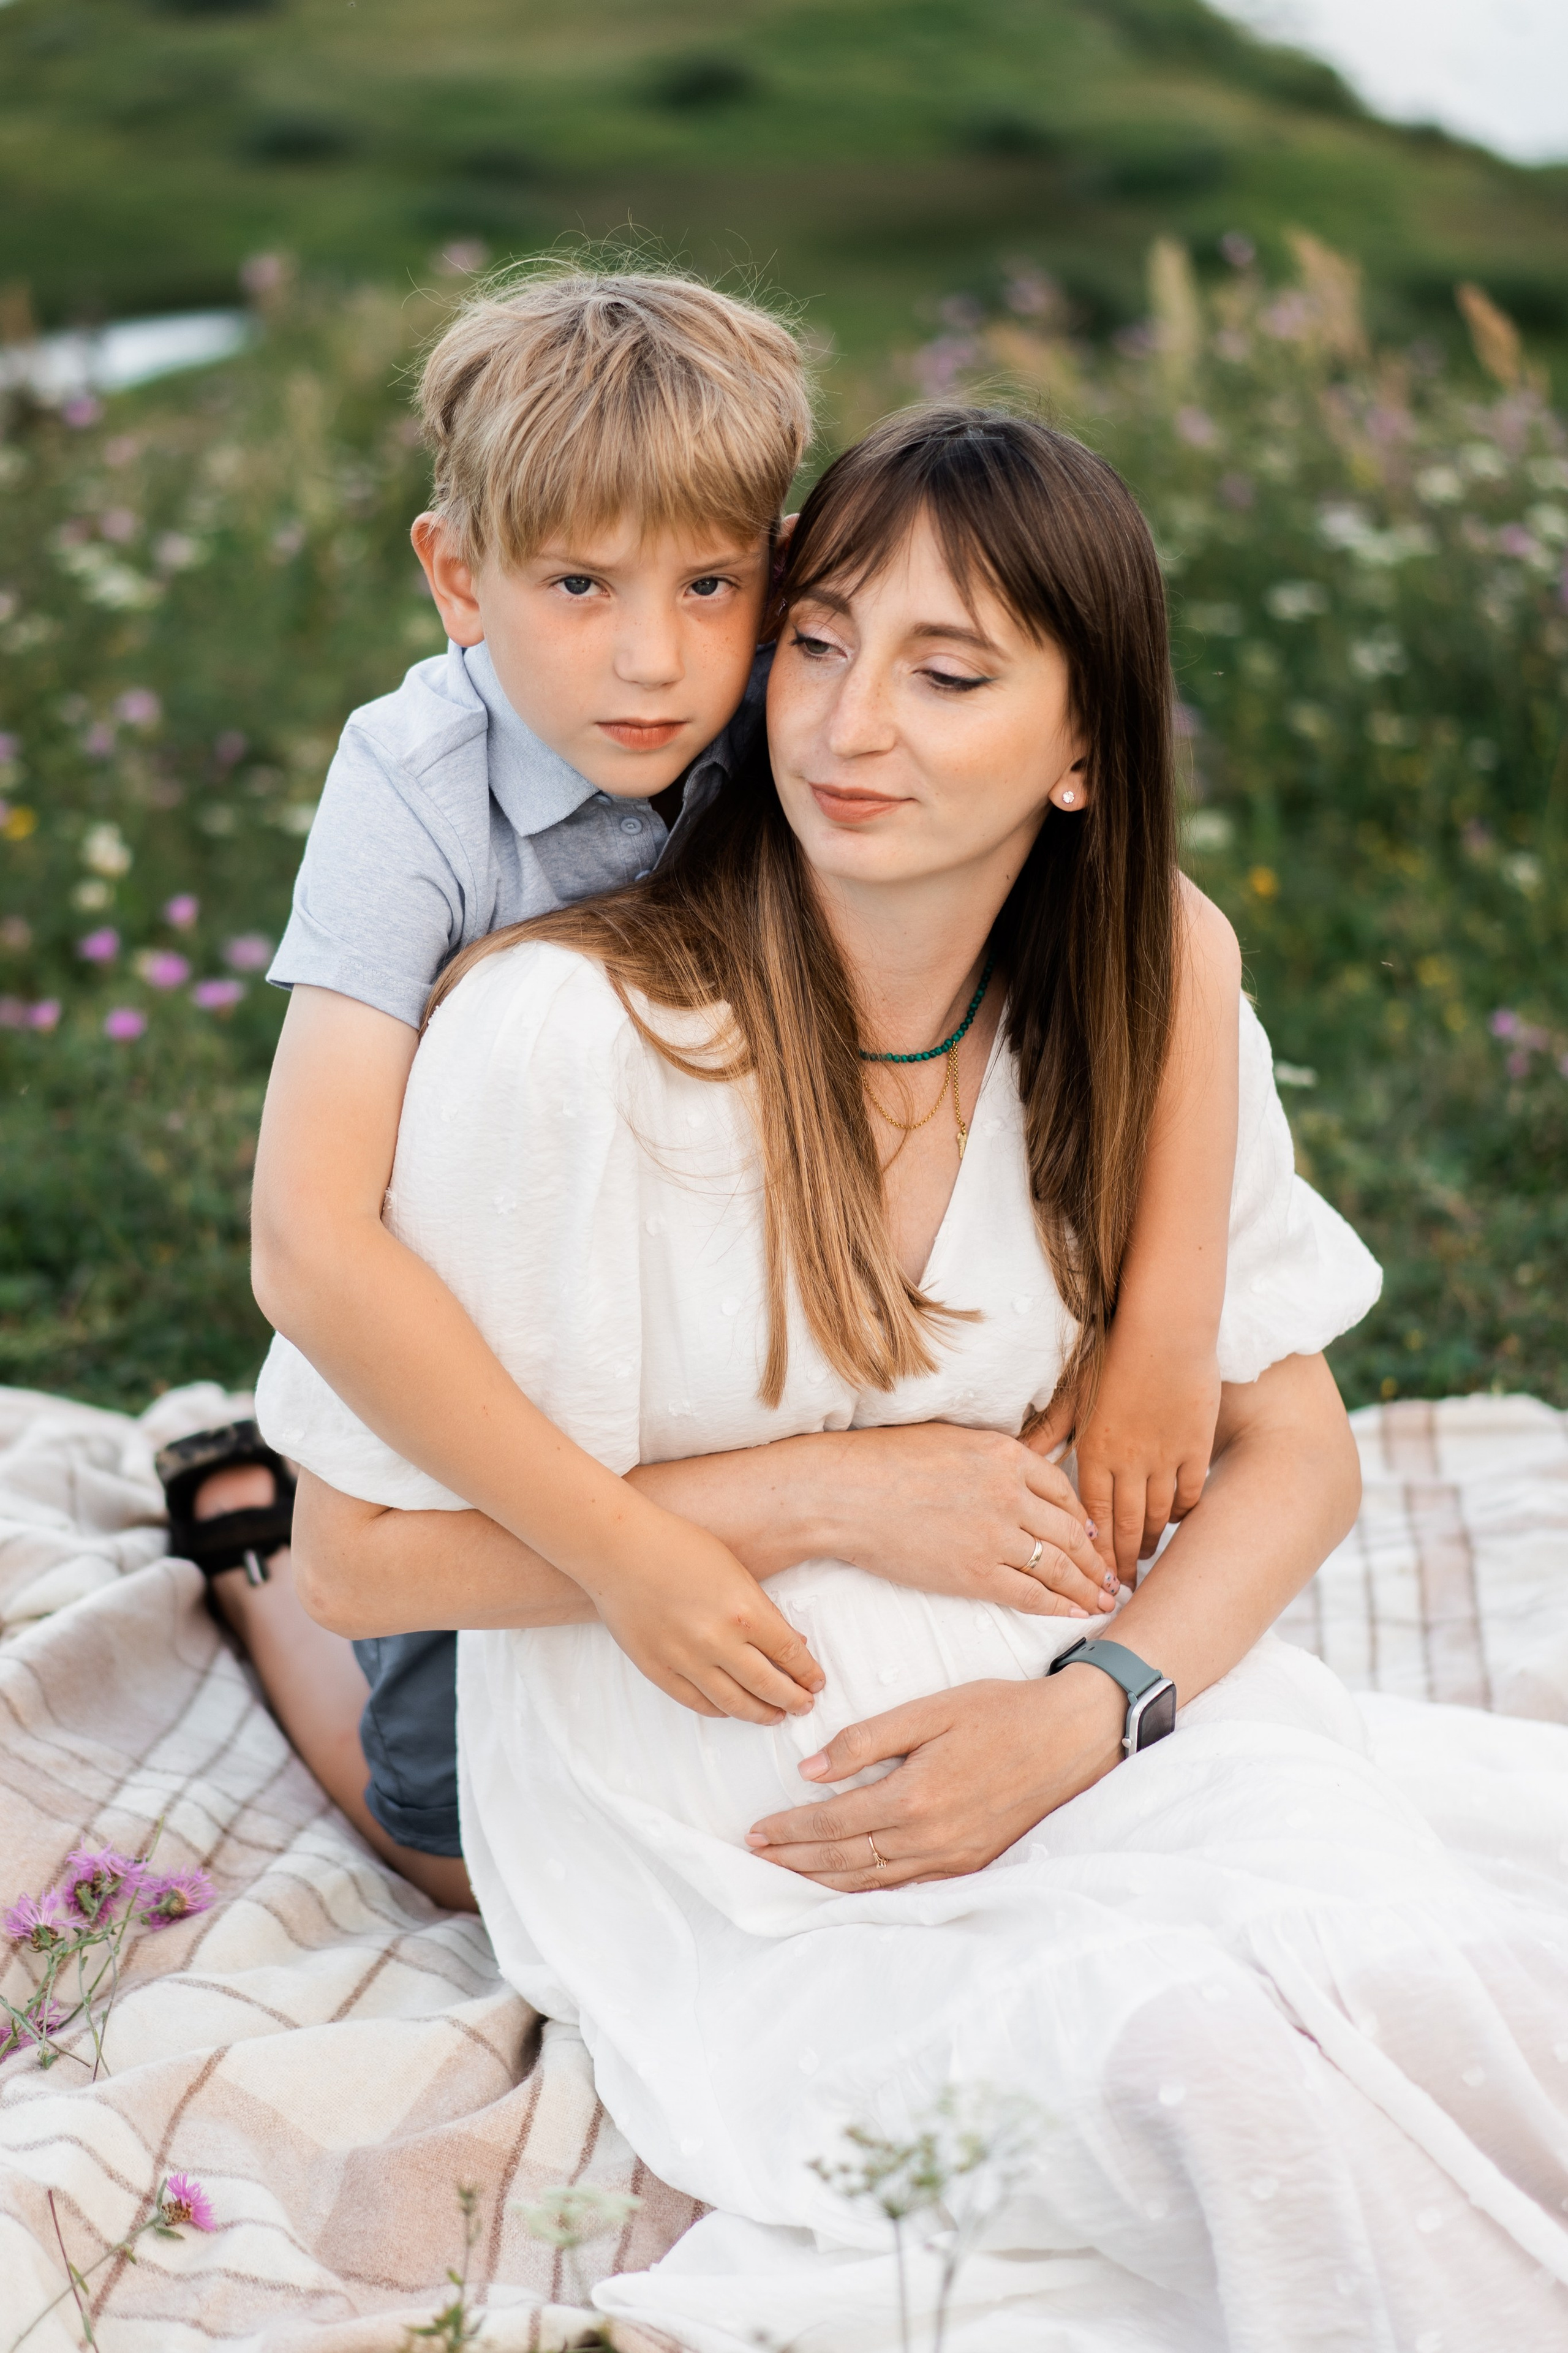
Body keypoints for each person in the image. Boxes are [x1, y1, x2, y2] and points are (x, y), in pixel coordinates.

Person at [258, 407, 1568, 2347]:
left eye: (949, 674)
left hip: (1103, 1732)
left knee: (1454, 1981)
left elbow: (1293, 1440)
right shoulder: (564, 1038)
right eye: (816, 639)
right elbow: (358, 1552)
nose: (848, 722)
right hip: (718, 1808)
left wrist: (1089, 1711)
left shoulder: (1133, 1004)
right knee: (1194, 2061)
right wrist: (829, 1494)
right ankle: (217, 1528)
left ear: (1080, 759)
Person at [164, 271, 1243, 1914]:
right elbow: (311, 1244)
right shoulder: (415, 786)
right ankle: (245, 1552)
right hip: (458, 1364)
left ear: (783, 564)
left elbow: (1176, 930)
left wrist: (1166, 1319)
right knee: (445, 1845)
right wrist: (621, 1547)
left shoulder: (793, 689)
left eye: (716, 583)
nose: (650, 658)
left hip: (676, 1330)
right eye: (578, 583)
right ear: (459, 578)